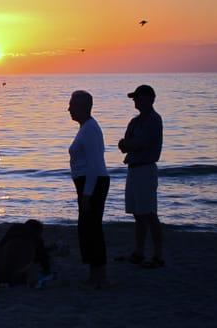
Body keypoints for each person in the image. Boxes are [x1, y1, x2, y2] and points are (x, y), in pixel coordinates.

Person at [118, 85, 164, 268]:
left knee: (150, 213)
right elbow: (125, 143)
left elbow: (137, 143)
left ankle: (158, 255)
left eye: (137, 97)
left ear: (149, 99)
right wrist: (129, 144)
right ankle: (139, 252)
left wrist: (129, 144)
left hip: (145, 169)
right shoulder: (135, 121)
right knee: (138, 213)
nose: (134, 101)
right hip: (134, 169)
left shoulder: (154, 120)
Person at [68, 90, 110, 288]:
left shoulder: (90, 128)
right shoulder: (85, 127)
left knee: (91, 228)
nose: (69, 108)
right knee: (87, 228)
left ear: (83, 106)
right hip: (87, 183)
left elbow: (94, 164)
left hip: (92, 183)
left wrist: (87, 193)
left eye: (72, 105)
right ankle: (95, 273)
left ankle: (99, 276)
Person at [0, 219, 51, 287]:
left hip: (2, 260)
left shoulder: (14, 228)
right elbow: (43, 257)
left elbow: (1, 244)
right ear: (38, 231)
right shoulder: (36, 236)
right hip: (21, 265)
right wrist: (47, 270)